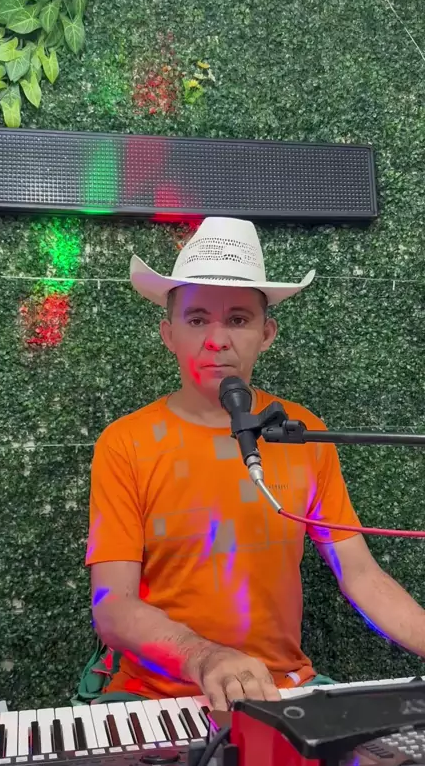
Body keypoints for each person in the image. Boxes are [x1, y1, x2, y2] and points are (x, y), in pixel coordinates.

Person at [86, 217, 425, 711]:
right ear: (168, 334)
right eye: (197, 319)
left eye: (238, 319)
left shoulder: (302, 432)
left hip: (283, 690)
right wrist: (203, 657)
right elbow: (112, 605)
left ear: (266, 334)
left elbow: (361, 576)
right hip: (158, 698)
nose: (217, 339)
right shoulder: (125, 442)